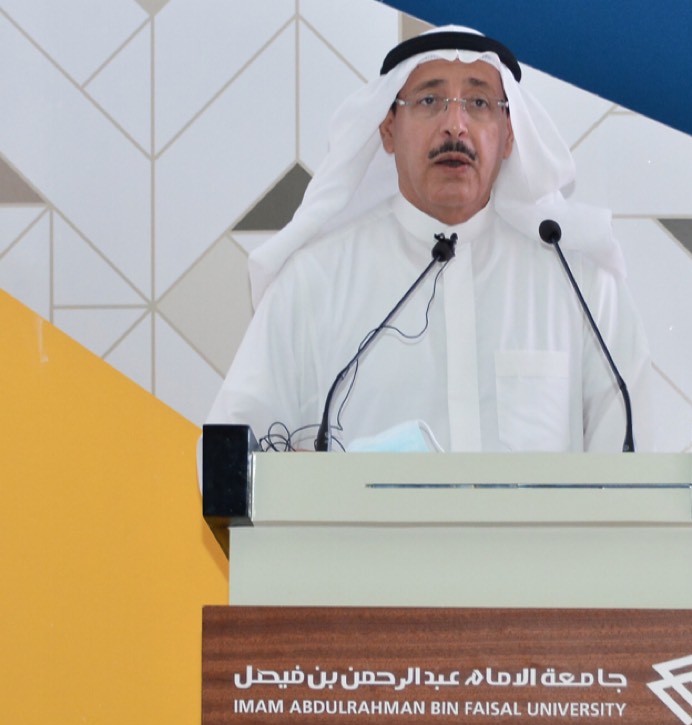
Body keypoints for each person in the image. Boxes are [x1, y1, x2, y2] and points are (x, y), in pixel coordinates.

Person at [205, 26, 652, 454]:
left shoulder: (580, 284)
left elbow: (635, 467)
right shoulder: (314, 283)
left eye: (479, 102)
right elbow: (228, 456)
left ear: (509, 134)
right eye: (429, 100)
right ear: (387, 129)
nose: (455, 125)